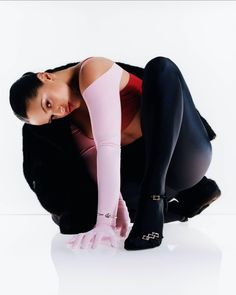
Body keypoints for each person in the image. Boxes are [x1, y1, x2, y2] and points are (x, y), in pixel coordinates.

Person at [9, 56, 221, 251]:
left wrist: (105, 219)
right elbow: (97, 162)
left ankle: (155, 200)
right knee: (83, 213)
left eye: (48, 103)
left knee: (161, 67)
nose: (59, 112)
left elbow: (109, 147)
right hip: (159, 179)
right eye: (52, 117)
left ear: (46, 76)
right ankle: (191, 199)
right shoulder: (71, 119)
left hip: (184, 157)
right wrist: (112, 214)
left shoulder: (92, 70)